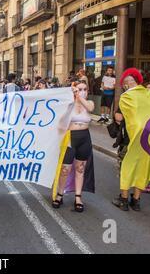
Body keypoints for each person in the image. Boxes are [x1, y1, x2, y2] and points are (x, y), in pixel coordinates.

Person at [112, 68, 150, 211]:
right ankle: (136, 201)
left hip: (134, 137)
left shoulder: (126, 96)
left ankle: (124, 200)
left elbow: (123, 118)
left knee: (127, 166)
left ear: (126, 84)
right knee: (143, 167)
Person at [52, 80, 95, 213]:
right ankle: (60, 194)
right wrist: (71, 103)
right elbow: (60, 123)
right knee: (65, 169)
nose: (82, 92)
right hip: (70, 138)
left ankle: (78, 197)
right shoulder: (68, 104)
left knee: (80, 169)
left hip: (84, 138)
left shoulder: (89, 103)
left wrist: (79, 97)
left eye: (85, 89)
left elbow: (90, 108)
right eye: (79, 89)